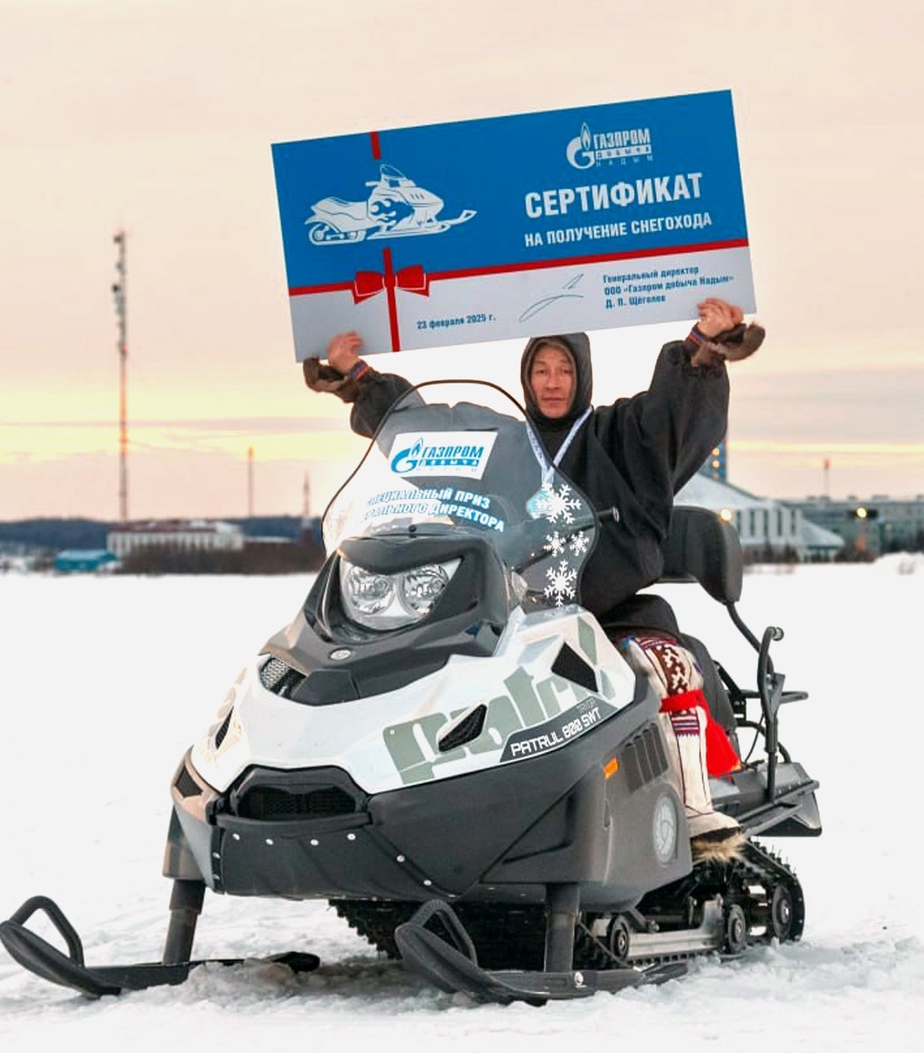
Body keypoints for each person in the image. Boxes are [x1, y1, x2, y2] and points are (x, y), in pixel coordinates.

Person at [303, 300, 764, 861]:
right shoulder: (502, 443)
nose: (552, 382)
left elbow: (674, 415)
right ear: (526, 376)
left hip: (609, 612)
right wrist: (358, 379)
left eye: (564, 369)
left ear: (582, 374)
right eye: (541, 369)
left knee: (665, 663)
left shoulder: (620, 433)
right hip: (513, 614)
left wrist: (702, 349)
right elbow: (425, 431)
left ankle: (690, 807)